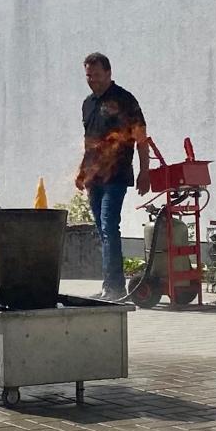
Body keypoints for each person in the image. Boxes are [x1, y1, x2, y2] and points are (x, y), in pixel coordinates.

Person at [75, 53, 150, 302]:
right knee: (102, 229)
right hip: (94, 178)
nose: (92, 80)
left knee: (109, 227)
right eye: (88, 76)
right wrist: (82, 171)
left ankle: (115, 288)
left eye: (96, 75)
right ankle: (110, 283)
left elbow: (141, 139)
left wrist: (144, 171)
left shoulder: (125, 100)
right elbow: (90, 143)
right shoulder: (88, 104)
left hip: (116, 175)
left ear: (108, 73)